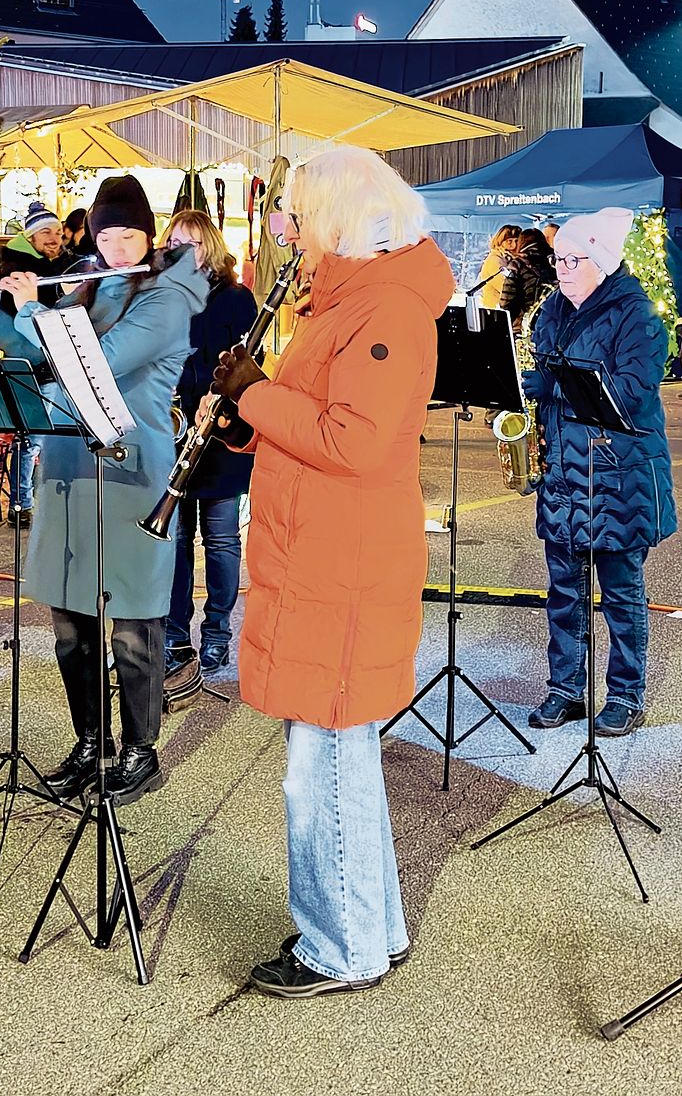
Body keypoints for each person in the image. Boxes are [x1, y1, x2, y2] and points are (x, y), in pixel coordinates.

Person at [209, 146, 455, 998]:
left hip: (341, 563)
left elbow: (353, 441)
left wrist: (252, 394)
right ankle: (370, 929)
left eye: (299, 215)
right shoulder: (350, 300)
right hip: (322, 552)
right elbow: (312, 417)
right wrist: (246, 413)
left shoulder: (383, 309)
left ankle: (336, 949)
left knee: (323, 765)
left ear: (341, 218)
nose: (290, 232)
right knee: (339, 756)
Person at [0, 175, 206, 805]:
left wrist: (32, 309)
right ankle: (92, 741)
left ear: (150, 235)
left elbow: (98, 359)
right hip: (68, 461)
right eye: (107, 234)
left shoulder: (168, 297)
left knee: (134, 618)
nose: (116, 247)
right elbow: (35, 356)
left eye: (130, 235)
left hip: (131, 465)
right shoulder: (87, 284)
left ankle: (140, 749)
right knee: (71, 617)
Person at [524, 208, 675, 737]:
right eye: (557, 258)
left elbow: (632, 396)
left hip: (618, 477)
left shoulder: (638, 316)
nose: (561, 269)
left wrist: (555, 386)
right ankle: (565, 690)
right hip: (565, 475)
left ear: (603, 262)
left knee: (621, 593)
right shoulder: (551, 312)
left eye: (573, 259)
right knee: (563, 592)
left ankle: (626, 695)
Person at [160, 210, 257, 673]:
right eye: (175, 241)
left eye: (193, 243)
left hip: (221, 431)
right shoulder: (160, 294)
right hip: (174, 430)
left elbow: (245, 365)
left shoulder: (238, 298)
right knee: (174, 539)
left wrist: (215, 394)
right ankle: (175, 635)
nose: (184, 250)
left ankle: (217, 632)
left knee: (220, 540)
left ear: (211, 248)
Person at [0, 201, 73, 528]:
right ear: (30, 237)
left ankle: (39, 500)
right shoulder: (20, 268)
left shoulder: (60, 264)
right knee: (32, 439)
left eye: (58, 232)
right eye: (46, 232)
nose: (55, 238)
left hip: (56, 362)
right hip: (32, 361)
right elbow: (17, 316)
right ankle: (21, 503)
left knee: (50, 436)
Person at [499, 227, 555, 332]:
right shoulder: (555, 262)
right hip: (551, 325)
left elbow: (506, 301)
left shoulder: (517, 264)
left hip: (524, 326)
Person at [476, 224, 521, 307]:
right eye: (509, 241)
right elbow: (504, 287)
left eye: (516, 241)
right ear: (500, 241)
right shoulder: (495, 260)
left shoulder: (510, 259)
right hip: (496, 311)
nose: (514, 245)